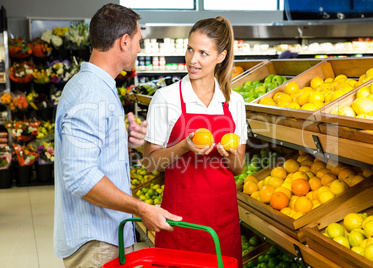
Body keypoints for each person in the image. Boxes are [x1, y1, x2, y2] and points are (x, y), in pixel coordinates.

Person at [54, 3, 181, 267]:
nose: (139, 49)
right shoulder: (92, 94)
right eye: (138, 42)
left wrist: (121, 140)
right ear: (124, 42)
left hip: (104, 234)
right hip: (97, 241)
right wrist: (141, 208)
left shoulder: (96, 84)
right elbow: (80, 177)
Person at [143, 16, 247, 267]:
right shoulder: (165, 98)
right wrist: (183, 147)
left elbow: (238, 167)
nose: (193, 59)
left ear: (221, 57)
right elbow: (149, 163)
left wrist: (229, 155)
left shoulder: (234, 102)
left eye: (203, 52)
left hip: (223, 222)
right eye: (190, 49)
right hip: (181, 221)